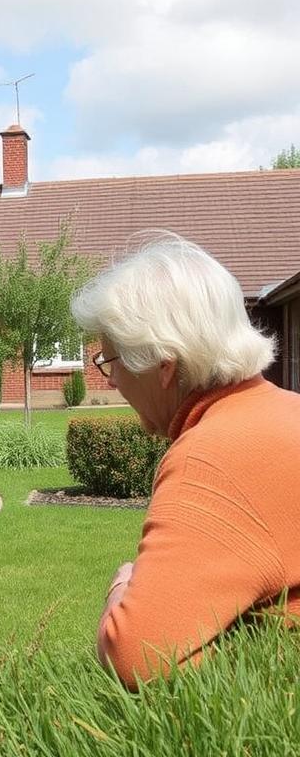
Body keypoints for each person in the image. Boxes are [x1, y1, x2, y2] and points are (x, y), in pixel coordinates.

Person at [70, 232, 300, 688]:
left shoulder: (211, 456)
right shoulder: (287, 408)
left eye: (109, 358)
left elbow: (137, 656)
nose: (110, 379)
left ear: (163, 364)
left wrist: (122, 588)